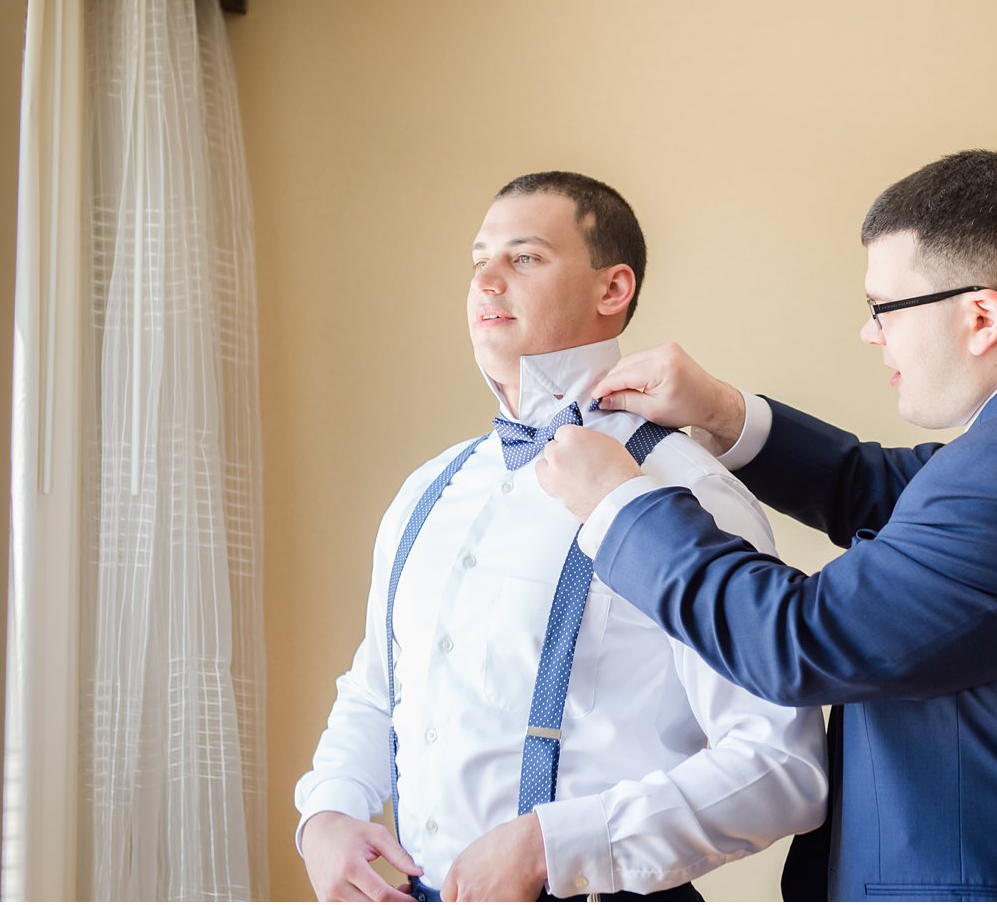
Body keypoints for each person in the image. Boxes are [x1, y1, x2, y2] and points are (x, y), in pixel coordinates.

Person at [537, 151, 997, 901]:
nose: (870, 334)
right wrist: (721, 410)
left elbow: (797, 639)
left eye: (884, 308)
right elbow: (891, 489)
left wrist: (618, 507)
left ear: (980, 316)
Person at [296, 171, 827, 903]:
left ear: (612, 291)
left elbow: (782, 768)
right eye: (478, 257)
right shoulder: (428, 491)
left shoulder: (688, 490)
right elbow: (375, 691)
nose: (484, 279)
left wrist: (560, 845)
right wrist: (325, 812)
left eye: (523, 258)